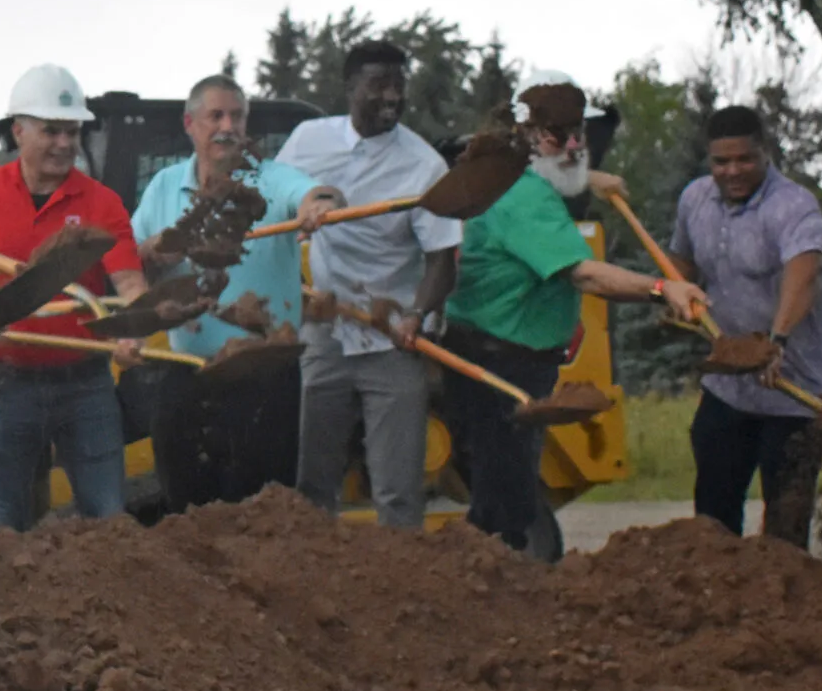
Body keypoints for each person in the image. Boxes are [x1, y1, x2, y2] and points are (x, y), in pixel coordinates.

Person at [441, 77, 706, 556]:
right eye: (557, 134)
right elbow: (583, 275)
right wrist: (663, 288)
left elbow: (555, 172)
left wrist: (590, 179)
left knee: (503, 490)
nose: (573, 145)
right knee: (506, 508)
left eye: (577, 132)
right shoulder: (523, 199)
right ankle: (497, 599)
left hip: (500, 353)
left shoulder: (509, 177)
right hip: (498, 365)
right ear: (524, 137)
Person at [0, 64, 149, 535]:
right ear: (19, 130)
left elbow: (130, 285)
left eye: (72, 132)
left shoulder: (102, 204)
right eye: (52, 131)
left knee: (108, 518)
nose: (64, 143)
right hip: (4, 381)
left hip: (85, 385)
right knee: (2, 523)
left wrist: (133, 330)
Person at [130, 72, 338, 512]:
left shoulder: (273, 179)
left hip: (265, 376)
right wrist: (155, 250)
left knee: (262, 516)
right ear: (190, 124)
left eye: (237, 116)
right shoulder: (165, 187)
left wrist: (319, 206)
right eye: (216, 115)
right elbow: (130, 259)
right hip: (187, 372)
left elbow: (312, 193)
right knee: (184, 512)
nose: (228, 126)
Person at [280, 40, 461, 528]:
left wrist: (416, 317)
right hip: (327, 326)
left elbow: (443, 261)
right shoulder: (306, 142)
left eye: (399, 86)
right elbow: (271, 200)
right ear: (350, 88)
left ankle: (401, 586)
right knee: (313, 482)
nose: (392, 97)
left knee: (397, 489)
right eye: (379, 84)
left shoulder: (424, 167)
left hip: (392, 337)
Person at [666, 104, 822, 545]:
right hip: (730, 383)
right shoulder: (695, 199)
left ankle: (785, 604)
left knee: (786, 517)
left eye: (744, 159)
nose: (732, 171)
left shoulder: (794, 206)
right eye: (721, 162)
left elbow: (804, 275)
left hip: (795, 386)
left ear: (765, 152)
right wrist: (672, 292)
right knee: (713, 507)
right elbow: (681, 260)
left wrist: (776, 341)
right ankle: (722, 595)